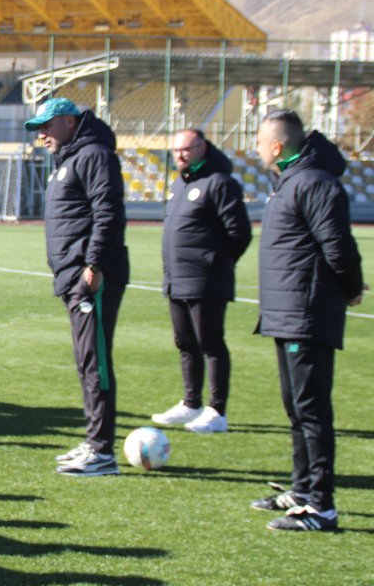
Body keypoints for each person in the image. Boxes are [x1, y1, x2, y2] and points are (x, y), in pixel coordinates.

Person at [251, 110, 365, 532]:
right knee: (296, 407)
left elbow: (337, 245)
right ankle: (301, 491)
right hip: (287, 312)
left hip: (307, 311)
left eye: (261, 142)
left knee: (312, 410)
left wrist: (352, 288)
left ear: (277, 146)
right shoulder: (291, 181)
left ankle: (321, 506)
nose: (257, 149)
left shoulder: (315, 182)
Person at [27, 97, 129, 478]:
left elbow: (108, 212)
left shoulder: (94, 156)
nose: (41, 134)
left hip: (91, 277)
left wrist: (95, 264)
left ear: (69, 122)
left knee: (95, 361)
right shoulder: (68, 160)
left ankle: (102, 452)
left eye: (47, 125)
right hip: (73, 277)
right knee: (86, 360)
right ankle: (94, 441)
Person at [151, 129, 251, 434]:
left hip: (206, 281)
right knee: (185, 343)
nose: (180, 155)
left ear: (203, 148)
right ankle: (190, 403)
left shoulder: (220, 183)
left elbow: (239, 233)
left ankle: (217, 410)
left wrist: (214, 264)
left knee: (211, 344)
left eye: (186, 149)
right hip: (177, 279)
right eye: (176, 150)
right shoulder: (179, 184)